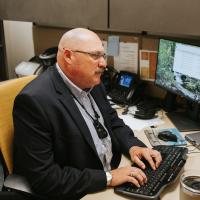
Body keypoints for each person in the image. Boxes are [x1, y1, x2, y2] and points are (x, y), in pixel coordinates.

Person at [13, 28, 162, 200]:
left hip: (115, 170)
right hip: (84, 189)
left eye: (103, 56)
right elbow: (46, 178)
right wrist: (110, 178)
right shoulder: (34, 102)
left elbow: (112, 122)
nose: (103, 64)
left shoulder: (92, 82)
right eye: (95, 56)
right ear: (68, 56)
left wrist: (134, 146)